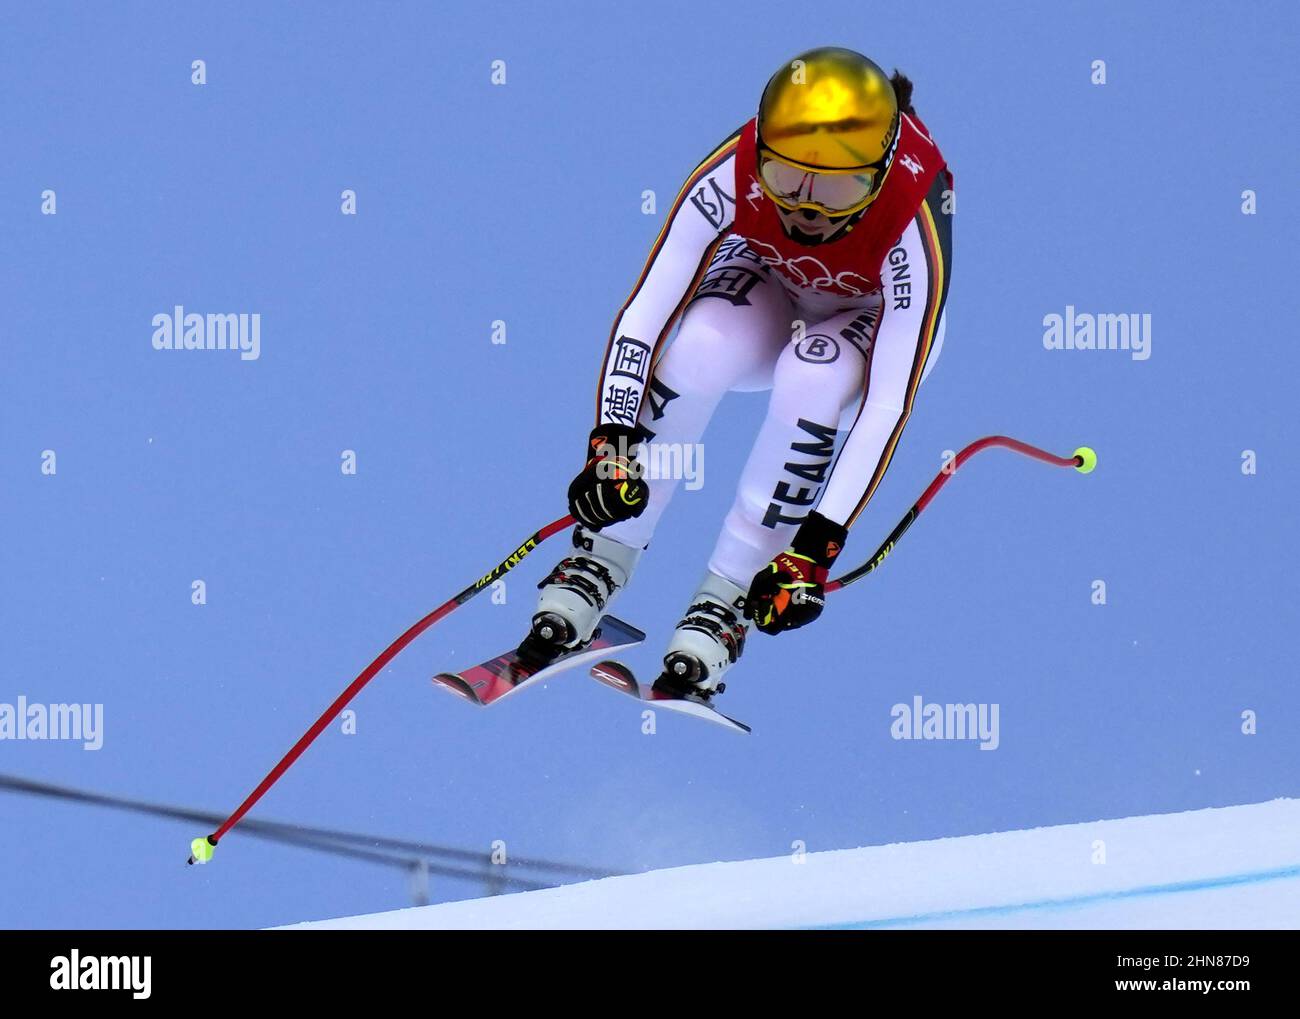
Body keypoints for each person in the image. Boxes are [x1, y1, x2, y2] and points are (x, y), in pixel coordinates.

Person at [527, 46, 953, 699]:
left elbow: (887, 405)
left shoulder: (912, 211)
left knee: (813, 375)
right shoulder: (731, 169)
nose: (807, 209)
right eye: (786, 178)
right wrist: (611, 443)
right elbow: (646, 313)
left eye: (838, 188)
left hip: (864, 314)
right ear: (762, 154)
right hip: (774, 285)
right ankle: (601, 556)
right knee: (701, 342)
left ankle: (724, 601)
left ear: (881, 172)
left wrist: (817, 544)